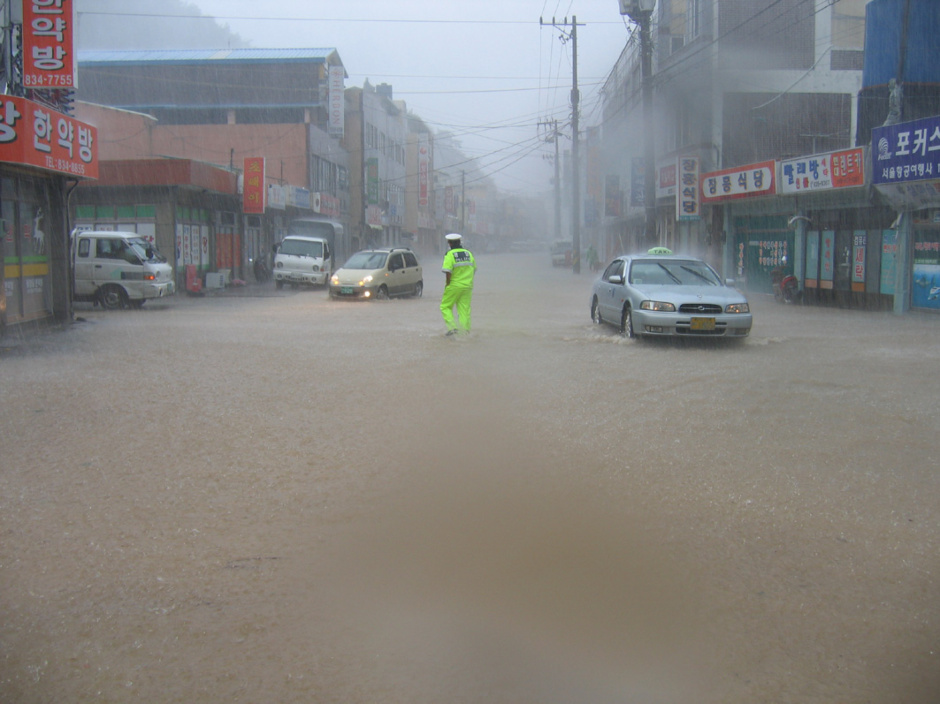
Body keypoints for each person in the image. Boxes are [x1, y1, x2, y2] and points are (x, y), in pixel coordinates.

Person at [440, 233, 476, 335]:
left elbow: (447, 271)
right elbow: (474, 269)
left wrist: (448, 284)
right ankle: (465, 331)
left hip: (454, 285)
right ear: (459, 242)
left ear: (450, 243)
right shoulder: (468, 253)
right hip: (468, 286)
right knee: (464, 309)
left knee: (445, 306)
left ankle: (452, 329)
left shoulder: (450, 254)